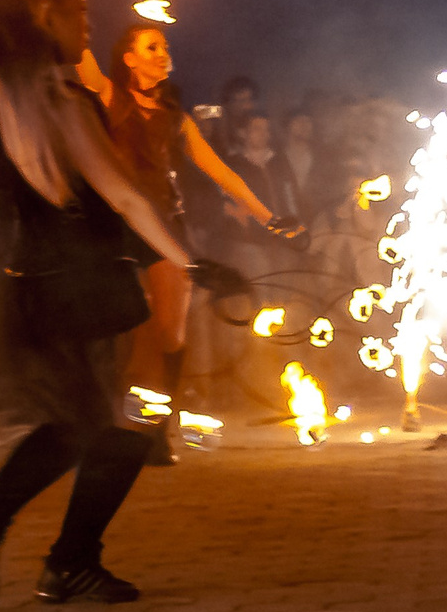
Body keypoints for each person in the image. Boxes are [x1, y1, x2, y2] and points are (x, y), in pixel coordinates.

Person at [0, 0, 245, 603]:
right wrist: (188, 262)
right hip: (74, 290)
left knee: (77, 426)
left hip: (35, 283)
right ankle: (56, 554)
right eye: (78, 9)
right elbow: (125, 196)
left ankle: (0, 529)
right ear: (48, 18)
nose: (89, 21)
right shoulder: (58, 98)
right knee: (126, 427)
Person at [77, 24, 291, 459]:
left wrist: (269, 218)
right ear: (129, 59)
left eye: (166, 47)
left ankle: (156, 429)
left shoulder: (176, 118)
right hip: (116, 225)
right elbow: (78, 47)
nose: (162, 53)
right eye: (151, 47)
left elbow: (222, 173)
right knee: (131, 333)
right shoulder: (109, 96)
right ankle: (112, 426)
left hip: (163, 227)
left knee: (171, 333)